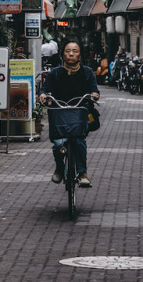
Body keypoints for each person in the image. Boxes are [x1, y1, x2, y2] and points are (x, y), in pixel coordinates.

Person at [39, 40, 99, 187]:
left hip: (79, 113)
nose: (71, 54)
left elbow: (94, 90)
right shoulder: (55, 73)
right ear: (62, 54)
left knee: (79, 141)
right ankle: (60, 168)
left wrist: (94, 94)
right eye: (67, 51)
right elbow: (44, 89)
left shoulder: (87, 72)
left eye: (74, 51)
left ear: (79, 55)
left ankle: (82, 173)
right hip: (59, 113)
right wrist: (43, 95)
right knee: (58, 144)